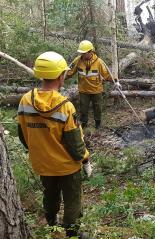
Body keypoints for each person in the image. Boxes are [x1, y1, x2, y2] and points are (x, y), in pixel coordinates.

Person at [17, 51, 92, 237]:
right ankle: (72, 232)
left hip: (42, 164)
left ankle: (52, 222)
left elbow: (23, 134)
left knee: (49, 194)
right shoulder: (65, 106)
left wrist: (38, 151)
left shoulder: (25, 100)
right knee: (73, 199)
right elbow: (75, 144)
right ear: (61, 75)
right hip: (67, 167)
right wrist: (85, 161)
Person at [66, 40, 121, 129]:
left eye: (84, 53)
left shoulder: (99, 62)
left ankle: (98, 124)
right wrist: (59, 78)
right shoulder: (77, 60)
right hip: (83, 90)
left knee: (97, 108)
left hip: (96, 90)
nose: (82, 55)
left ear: (90, 52)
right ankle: (84, 124)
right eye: (81, 53)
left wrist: (116, 81)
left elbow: (107, 74)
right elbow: (69, 72)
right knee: (83, 108)